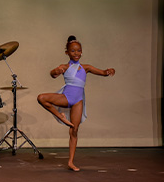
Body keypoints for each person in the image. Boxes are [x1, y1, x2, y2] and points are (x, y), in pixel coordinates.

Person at [37, 35, 115, 172]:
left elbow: (103, 73)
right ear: (67, 52)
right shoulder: (64, 67)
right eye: (73, 51)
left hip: (78, 101)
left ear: (82, 52)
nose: (76, 53)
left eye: (79, 50)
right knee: (41, 98)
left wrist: (108, 71)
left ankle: (71, 162)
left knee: (74, 130)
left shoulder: (86, 68)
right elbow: (52, 74)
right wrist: (56, 71)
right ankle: (59, 115)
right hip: (66, 97)